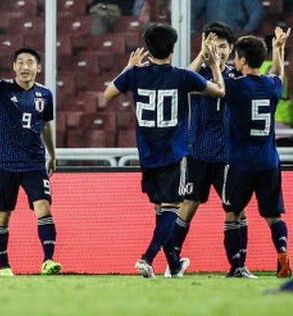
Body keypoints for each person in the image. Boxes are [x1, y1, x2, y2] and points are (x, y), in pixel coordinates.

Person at [103, 23, 225, 278]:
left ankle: (175, 264)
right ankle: (146, 258)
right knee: (171, 208)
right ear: (173, 47)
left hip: (147, 154)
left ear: (147, 48)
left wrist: (129, 67)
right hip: (173, 152)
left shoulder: (136, 74)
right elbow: (220, 91)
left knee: (162, 210)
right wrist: (212, 63)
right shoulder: (183, 76)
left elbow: (107, 94)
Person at [170, 23, 257, 278]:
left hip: (228, 155)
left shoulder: (235, 75)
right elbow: (180, 81)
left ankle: (238, 265)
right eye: (213, 45)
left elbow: (234, 89)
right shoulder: (196, 73)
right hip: (196, 151)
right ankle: (172, 261)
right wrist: (201, 55)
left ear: (231, 49)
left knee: (236, 208)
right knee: (188, 205)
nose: (218, 51)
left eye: (222, 46)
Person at [0, 47, 61, 277]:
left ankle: (48, 261)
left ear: (38, 68)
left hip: (34, 164)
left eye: (30, 62)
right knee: (3, 216)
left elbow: (46, 125)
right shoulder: (1, 88)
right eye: (20, 62)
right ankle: (4, 266)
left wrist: (52, 153)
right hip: (5, 165)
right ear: (14, 67)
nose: (25, 67)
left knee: (44, 208)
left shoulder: (45, 95)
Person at [222, 30, 292, 279]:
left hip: (241, 162)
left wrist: (211, 60)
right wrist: (280, 49)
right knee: (273, 215)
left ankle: (237, 265)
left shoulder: (235, 87)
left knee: (233, 213)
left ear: (241, 60)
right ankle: (283, 252)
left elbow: (218, 84)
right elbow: (278, 74)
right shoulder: (272, 86)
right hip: (269, 161)